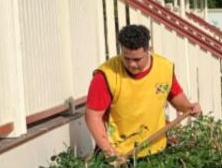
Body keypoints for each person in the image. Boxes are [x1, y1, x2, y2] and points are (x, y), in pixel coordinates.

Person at [85, 24, 201, 160]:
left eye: (137, 59)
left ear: (148, 50)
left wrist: (189, 107)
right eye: (126, 58)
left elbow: (176, 96)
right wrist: (109, 152)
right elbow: (92, 116)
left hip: (154, 148)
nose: (131, 64)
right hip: (119, 153)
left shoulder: (164, 68)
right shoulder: (106, 75)